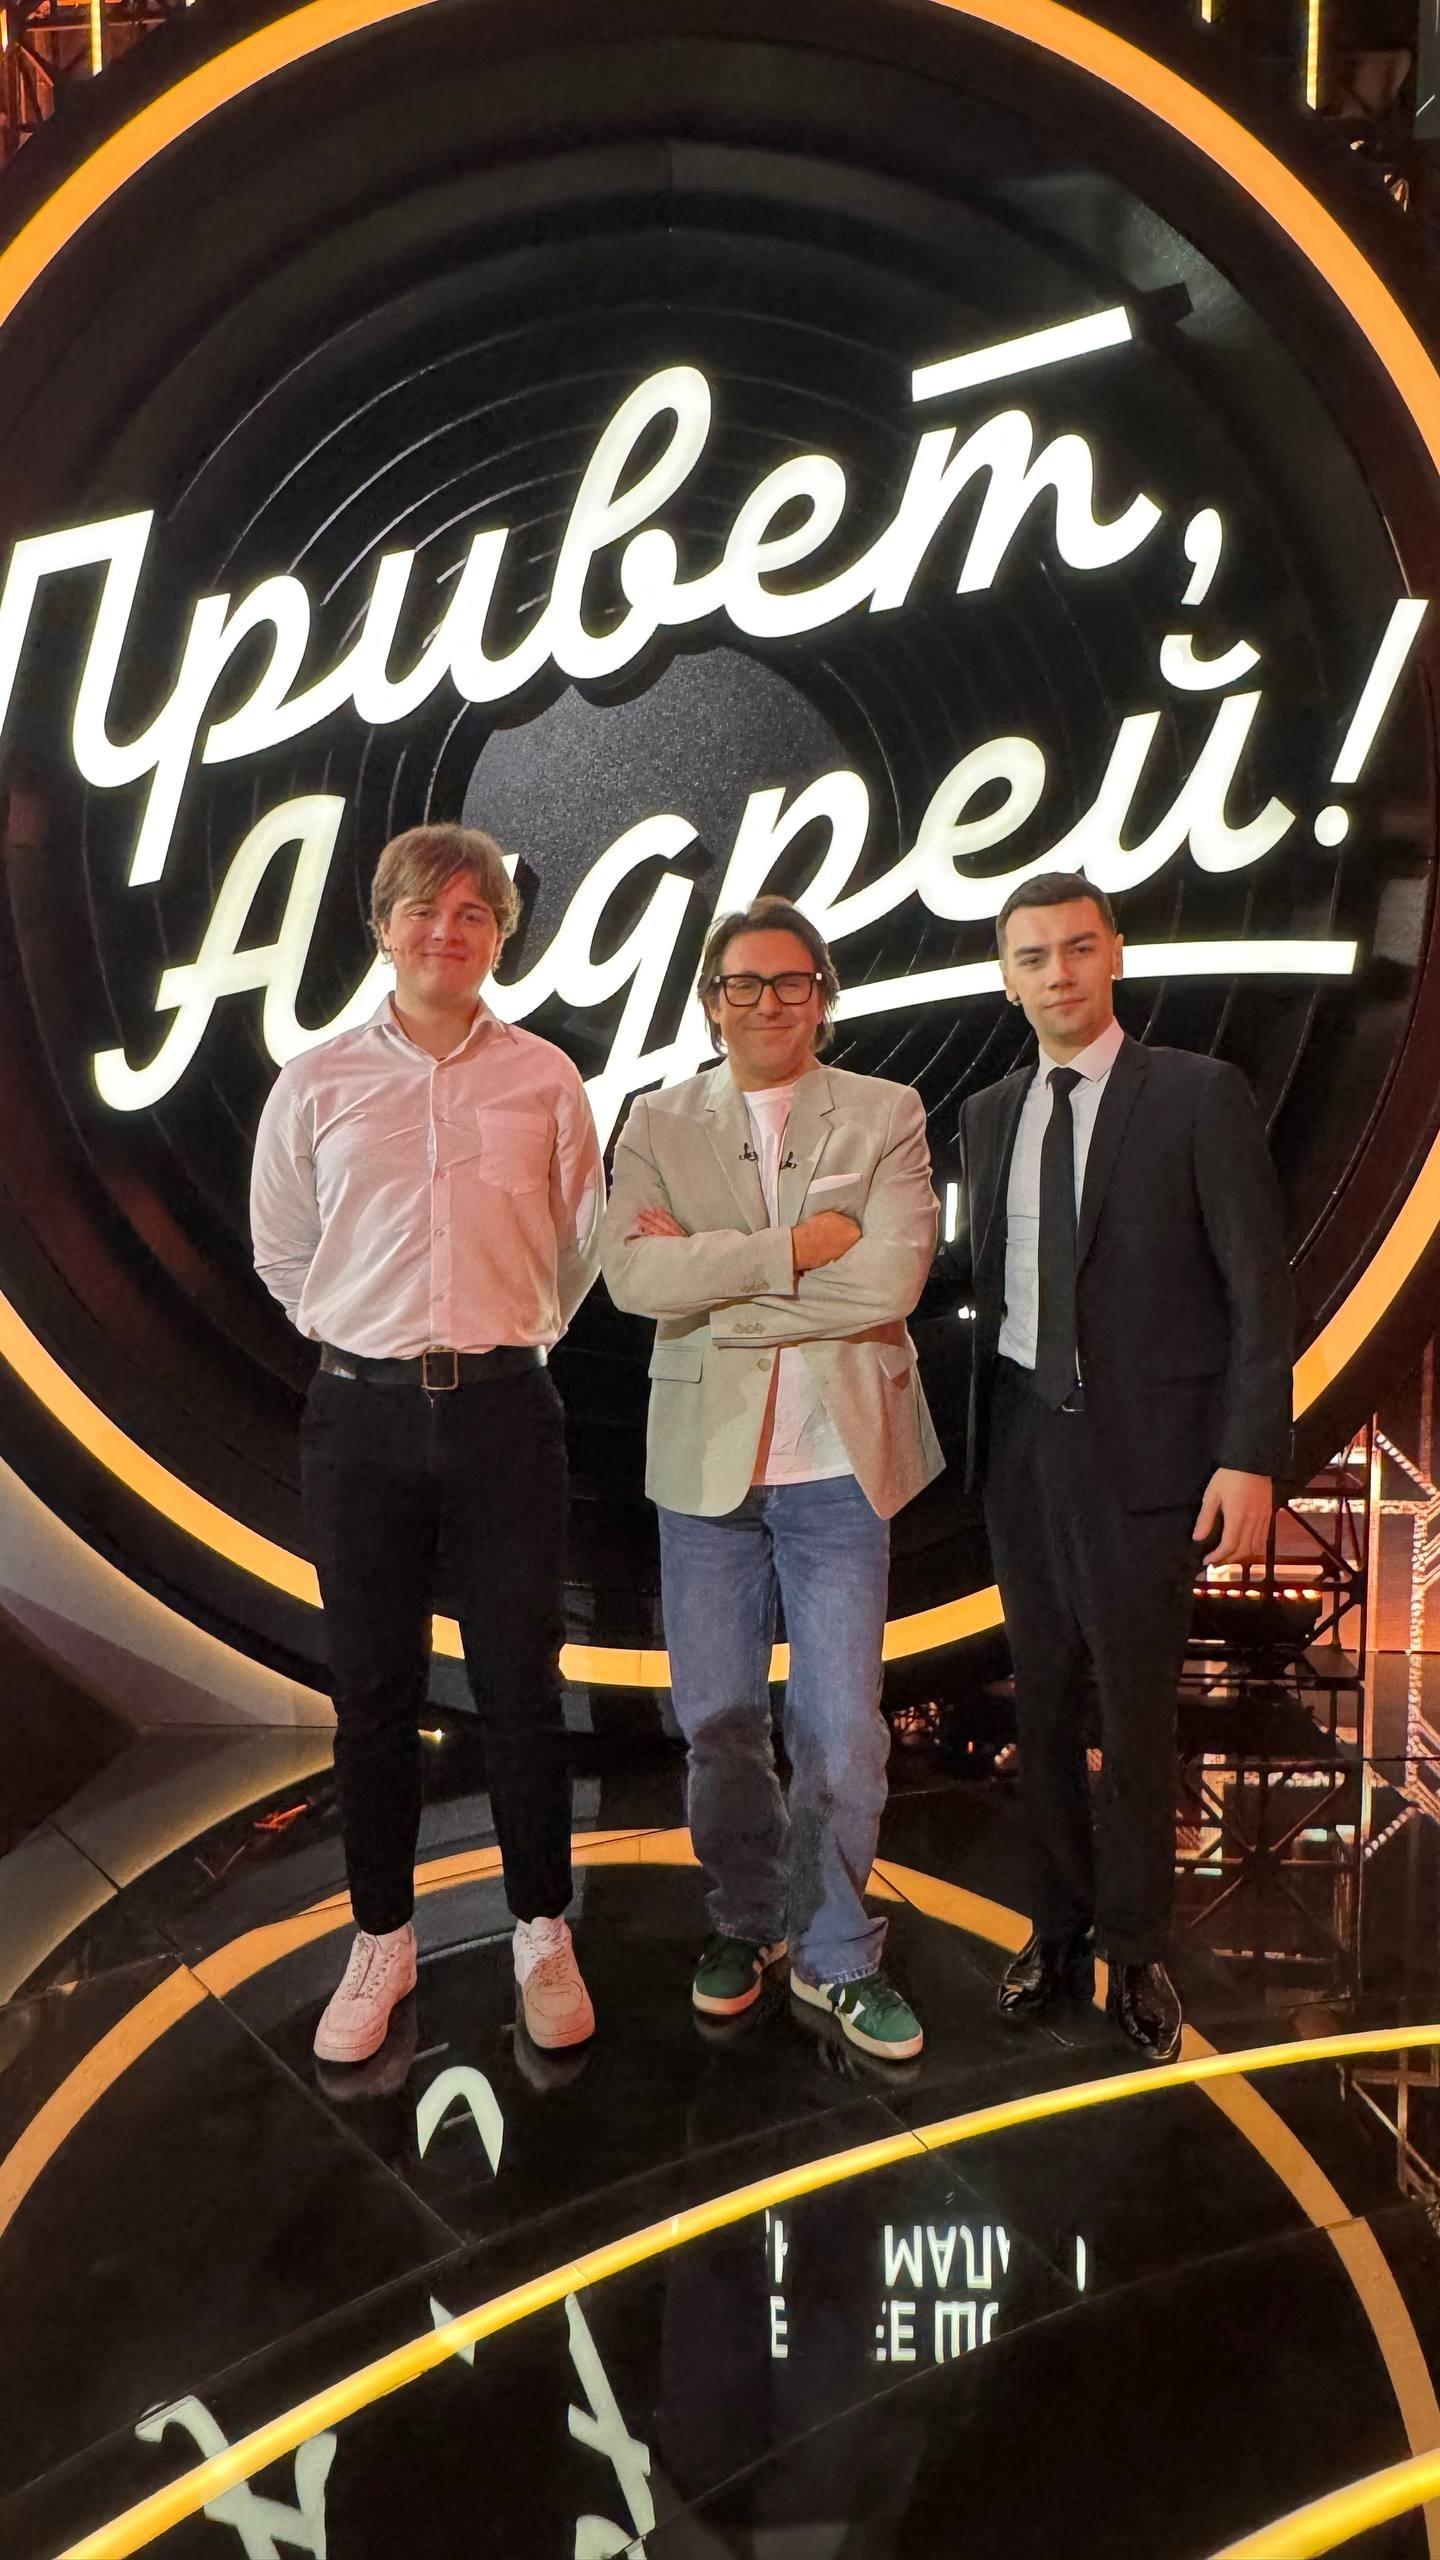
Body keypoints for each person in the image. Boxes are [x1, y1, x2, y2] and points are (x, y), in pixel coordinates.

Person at [251, 823, 604, 2064]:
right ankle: (382, 1938)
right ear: (382, 926)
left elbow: (578, 1246)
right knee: (372, 1693)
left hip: (508, 1411)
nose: (446, 932)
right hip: (360, 1417)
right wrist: (372, 1339)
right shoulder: (316, 1081)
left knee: (522, 1687)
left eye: (473, 914)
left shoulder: (547, 1078)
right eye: (423, 911)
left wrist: (502, 1337)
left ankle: (541, 1929)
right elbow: (283, 1250)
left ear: (500, 934)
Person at [955, 870, 1293, 2062]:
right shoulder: (989, 1112)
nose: (1058, 972)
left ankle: (1137, 1946)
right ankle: (1054, 1926)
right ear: (1007, 976)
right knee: (1038, 1701)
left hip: (1148, 1454)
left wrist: (1249, 1454)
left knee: (1137, 1710)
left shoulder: (1198, 1094)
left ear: (1115, 956)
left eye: (1077, 947)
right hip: (1021, 1444)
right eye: (1033, 955)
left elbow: (1261, 1291)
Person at [602, 896, 942, 2062]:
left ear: (823, 996)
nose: (766, 1002)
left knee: (841, 1731)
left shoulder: (886, 1112)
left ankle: (838, 1952)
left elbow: (891, 1282)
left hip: (840, 1469)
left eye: (790, 981)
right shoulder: (657, 1118)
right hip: (704, 1474)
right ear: (712, 1001)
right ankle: (749, 1919)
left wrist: (718, 1286)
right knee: (720, 1725)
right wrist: (795, 1251)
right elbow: (633, 1280)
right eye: (742, 983)